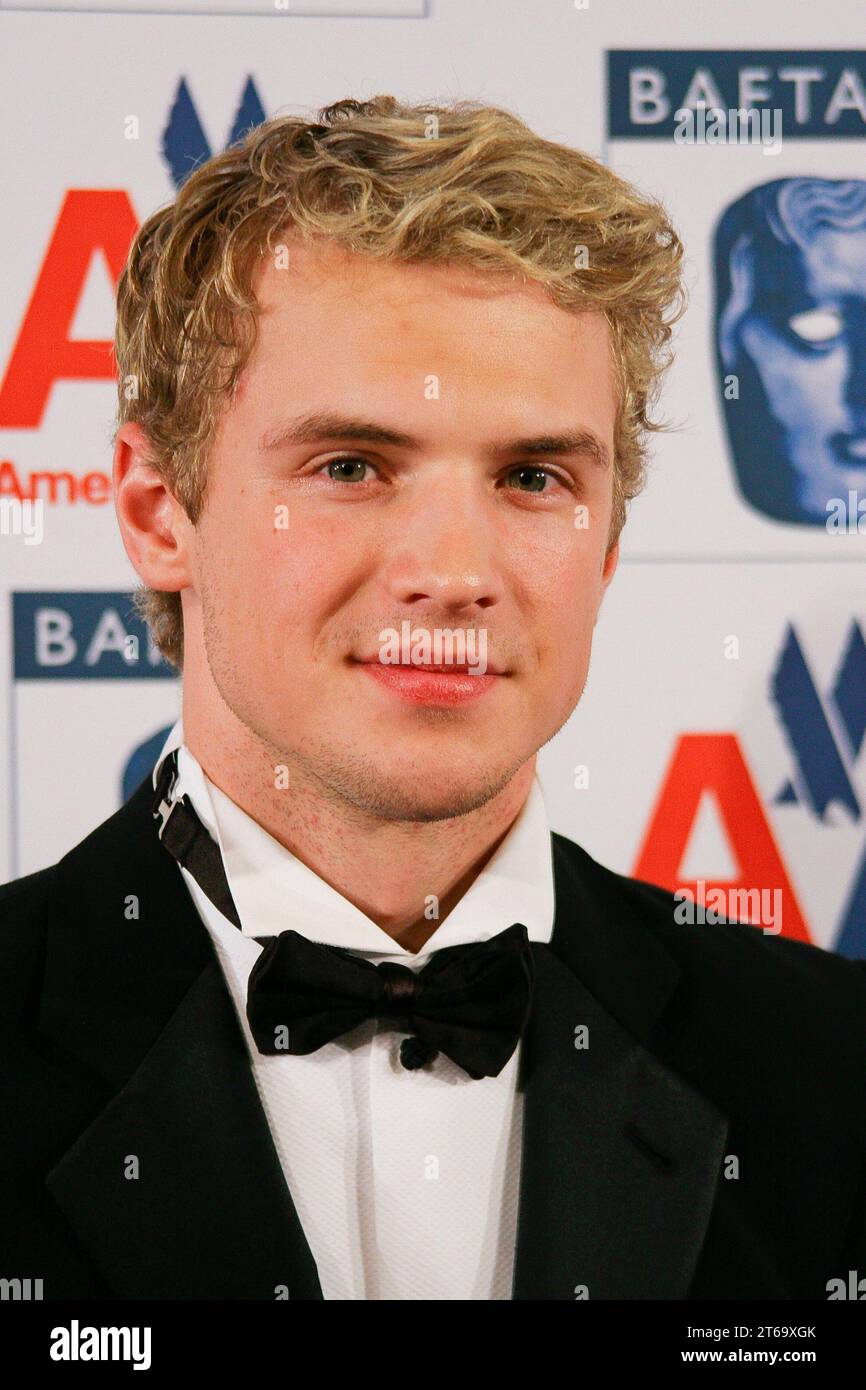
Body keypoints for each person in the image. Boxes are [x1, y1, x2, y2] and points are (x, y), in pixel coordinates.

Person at [1, 95, 864, 1302]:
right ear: (159, 512)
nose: (454, 573)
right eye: (351, 466)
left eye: (530, 475)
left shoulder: (835, 1069)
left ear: (606, 542)